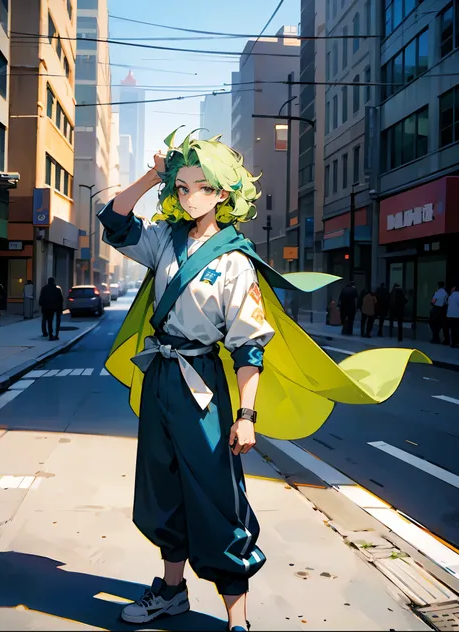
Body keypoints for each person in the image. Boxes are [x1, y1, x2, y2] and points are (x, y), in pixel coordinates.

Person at [97, 129, 428, 632]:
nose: (189, 197)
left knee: (216, 494)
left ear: (224, 192)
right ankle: (171, 591)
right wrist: (151, 174)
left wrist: (246, 414)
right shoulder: (163, 238)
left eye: (200, 187)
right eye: (181, 187)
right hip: (161, 374)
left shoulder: (234, 258)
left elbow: (248, 345)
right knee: (161, 488)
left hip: (203, 383)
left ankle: (238, 618)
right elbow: (115, 221)